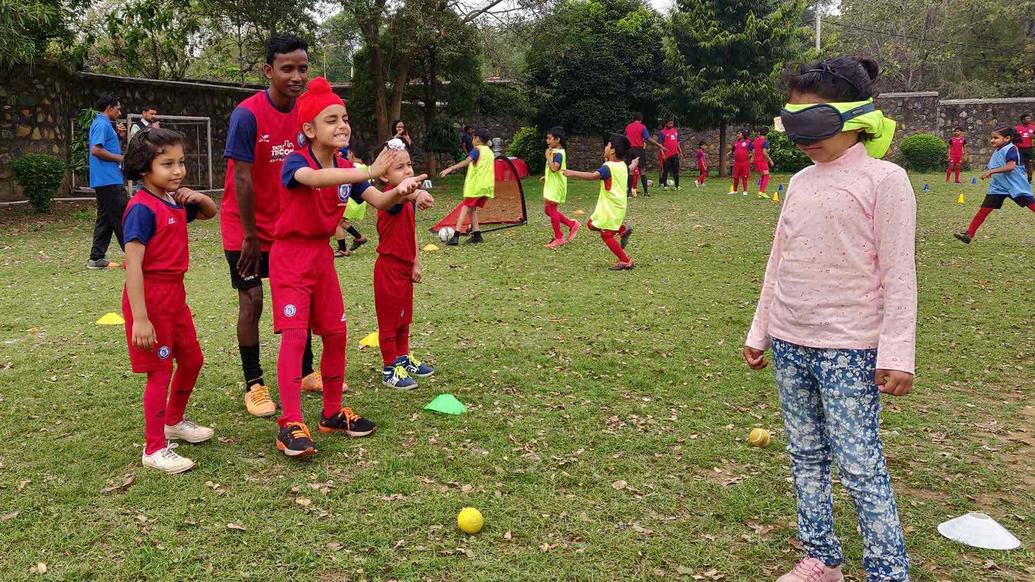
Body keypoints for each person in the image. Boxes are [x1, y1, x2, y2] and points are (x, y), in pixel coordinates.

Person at [744, 57, 913, 582]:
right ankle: (822, 560)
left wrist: (897, 353)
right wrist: (760, 330)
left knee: (860, 465)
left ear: (855, 117)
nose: (802, 138)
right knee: (805, 456)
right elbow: (779, 259)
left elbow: (899, 272)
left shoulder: (886, 180)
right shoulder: (798, 182)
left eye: (813, 123)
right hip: (791, 341)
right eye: (792, 124)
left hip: (849, 348)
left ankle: (888, 572)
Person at [274, 77, 430, 456]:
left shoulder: (349, 167)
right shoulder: (298, 162)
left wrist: (403, 191)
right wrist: (369, 170)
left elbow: (380, 199)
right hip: (291, 259)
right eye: (331, 120)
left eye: (344, 118)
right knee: (296, 337)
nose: (342, 125)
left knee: (337, 334)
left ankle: (331, 413)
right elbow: (314, 179)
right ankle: (289, 422)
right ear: (309, 129)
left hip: (322, 260)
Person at [221, 34, 320, 417]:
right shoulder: (246, 114)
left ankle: (307, 371)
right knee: (253, 300)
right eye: (288, 68)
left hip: (288, 227)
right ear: (269, 70)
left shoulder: (307, 113)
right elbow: (242, 178)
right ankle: (255, 383)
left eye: (302, 68)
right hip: (243, 227)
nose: (297, 76)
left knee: (299, 296)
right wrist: (250, 236)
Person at [121, 128, 218, 474]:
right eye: (168, 164)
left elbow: (210, 213)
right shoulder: (141, 209)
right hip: (151, 297)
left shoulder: (173, 201)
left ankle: (173, 422)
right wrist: (141, 318)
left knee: (192, 359)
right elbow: (133, 266)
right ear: (144, 168)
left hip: (177, 296)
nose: (178, 171)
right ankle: (154, 447)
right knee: (159, 372)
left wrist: (198, 196)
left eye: (181, 162)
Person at [370, 141, 437, 389]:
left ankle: (402, 358)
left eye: (409, 165)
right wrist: (417, 192)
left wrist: (415, 263)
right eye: (400, 167)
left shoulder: (404, 200)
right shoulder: (390, 198)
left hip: (404, 268)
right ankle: (390, 368)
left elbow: (411, 233)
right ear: (385, 174)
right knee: (389, 322)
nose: (407, 170)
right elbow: (401, 194)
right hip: (388, 269)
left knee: (404, 319)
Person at [564, 134, 634, 270]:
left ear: (613, 150)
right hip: (614, 205)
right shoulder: (622, 165)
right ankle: (622, 229)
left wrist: (571, 172)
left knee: (606, 234)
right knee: (591, 224)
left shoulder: (608, 167)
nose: (606, 147)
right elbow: (629, 169)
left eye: (608, 145)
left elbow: (593, 176)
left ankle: (625, 261)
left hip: (611, 207)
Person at [954, 126, 1035, 244]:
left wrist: (991, 171)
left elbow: (1011, 166)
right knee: (983, 210)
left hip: (1015, 187)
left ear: (1007, 138)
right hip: (998, 187)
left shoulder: (1011, 149)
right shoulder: (998, 149)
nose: (992, 140)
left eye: (996, 138)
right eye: (992, 138)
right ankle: (969, 234)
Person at [87, 94, 128, 270]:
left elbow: (105, 147)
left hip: (107, 179)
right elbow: (96, 150)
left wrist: (118, 136)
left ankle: (96, 258)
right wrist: (120, 158)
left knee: (106, 219)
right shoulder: (101, 124)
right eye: (118, 108)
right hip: (108, 179)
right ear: (109, 108)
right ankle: (137, 256)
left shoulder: (105, 125)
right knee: (123, 216)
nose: (119, 112)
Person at [439, 127, 494, 245]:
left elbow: (466, 161)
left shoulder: (476, 150)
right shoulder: (489, 152)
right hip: (486, 187)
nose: (471, 140)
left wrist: (450, 168)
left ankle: (456, 236)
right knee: (471, 209)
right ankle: (477, 235)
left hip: (475, 187)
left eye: (472, 138)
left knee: (465, 207)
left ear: (477, 139)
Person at [540, 126, 579, 249]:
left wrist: (547, 155)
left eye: (549, 138)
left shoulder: (558, 153)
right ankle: (572, 224)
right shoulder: (554, 151)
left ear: (557, 140)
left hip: (556, 186)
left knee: (551, 209)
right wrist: (546, 177)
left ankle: (559, 238)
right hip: (551, 184)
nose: (547, 141)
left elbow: (555, 168)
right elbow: (553, 171)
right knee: (548, 210)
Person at [333, 144, 371, 258]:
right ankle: (359, 238)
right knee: (342, 222)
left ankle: (343, 249)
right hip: (360, 201)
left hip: (350, 200)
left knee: (336, 222)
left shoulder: (350, 167)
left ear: (351, 154)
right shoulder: (365, 167)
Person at [624, 113, 664, 197]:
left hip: (629, 150)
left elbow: (625, 138)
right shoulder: (642, 127)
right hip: (639, 150)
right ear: (641, 119)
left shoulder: (628, 127)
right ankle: (646, 193)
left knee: (630, 171)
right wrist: (659, 145)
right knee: (642, 171)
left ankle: (629, 193)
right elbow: (648, 138)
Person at [658, 119, 683, 190]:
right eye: (669, 122)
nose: (671, 124)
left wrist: (680, 152)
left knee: (676, 170)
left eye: (672, 123)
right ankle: (665, 185)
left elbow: (677, 143)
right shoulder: (662, 132)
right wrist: (663, 154)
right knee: (665, 171)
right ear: (666, 123)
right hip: (666, 155)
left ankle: (677, 186)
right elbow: (660, 144)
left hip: (675, 154)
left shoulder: (675, 131)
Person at [752, 127, 775, 198]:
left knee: (763, 176)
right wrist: (770, 160)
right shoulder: (765, 141)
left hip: (756, 160)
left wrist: (752, 158)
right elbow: (764, 152)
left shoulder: (755, 140)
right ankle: (762, 192)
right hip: (762, 161)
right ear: (767, 134)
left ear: (759, 133)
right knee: (766, 176)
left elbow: (753, 151)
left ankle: (761, 193)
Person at [730, 129, 751, 195]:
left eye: (739, 133)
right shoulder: (736, 143)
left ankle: (745, 191)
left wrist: (752, 157)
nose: (737, 135)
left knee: (744, 176)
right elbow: (733, 150)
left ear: (743, 134)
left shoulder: (748, 142)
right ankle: (734, 190)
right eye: (737, 133)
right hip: (737, 162)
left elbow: (753, 150)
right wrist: (728, 153)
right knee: (735, 177)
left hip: (745, 162)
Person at [1014, 113, 1034, 182]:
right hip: (1019, 149)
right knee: (1020, 164)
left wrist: (1034, 136)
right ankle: (1021, 179)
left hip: (1029, 148)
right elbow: (1013, 138)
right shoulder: (1016, 128)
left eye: (1029, 118)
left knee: (1030, 164)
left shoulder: (1033, 127)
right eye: (1027, 118)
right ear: (1023, 120)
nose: (1029, 119)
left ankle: (1029, 178)